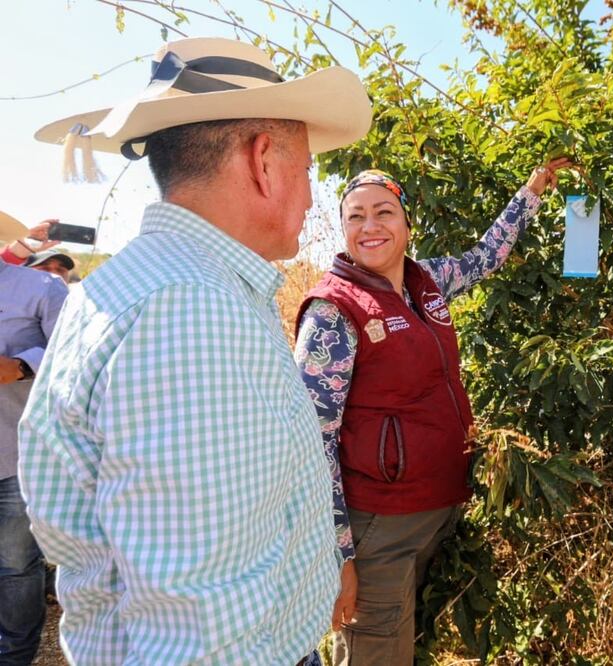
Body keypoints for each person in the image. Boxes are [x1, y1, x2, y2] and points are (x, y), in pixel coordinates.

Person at [19, 37, 371, 664]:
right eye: (308, 170)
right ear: (264, 161)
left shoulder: (145, 287)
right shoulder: (193, 313)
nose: (313, 196)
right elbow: (202, 637)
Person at [295, 160, 570, 665]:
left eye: (384, 212)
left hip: (434, 509)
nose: (370, 227)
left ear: (406, 222)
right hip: (379, 525)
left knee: (410, 644)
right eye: (356, 216)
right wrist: (338, 557)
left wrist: (530, 193)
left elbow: (487, 257)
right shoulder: (334, 312)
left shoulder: (426, 281)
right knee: (375, 652)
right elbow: (312, 444)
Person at [0, 222, 68, 665]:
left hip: (15, 455)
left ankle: (14, 657)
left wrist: (22, 366)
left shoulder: (42, 286)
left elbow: (71, 350)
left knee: (14, 569)